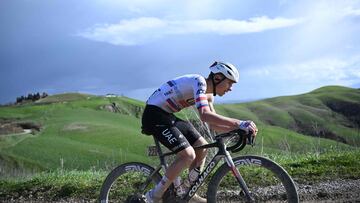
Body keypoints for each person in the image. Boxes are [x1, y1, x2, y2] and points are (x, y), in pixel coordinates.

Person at [141, 61, 258, 203]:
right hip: (154, 114)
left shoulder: (209, 96)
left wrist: (238, 129)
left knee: (202, 147)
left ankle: (186, 191)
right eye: (230, 83)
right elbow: (204, 115)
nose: (230, 89)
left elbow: (212, 124)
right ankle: (153, 196)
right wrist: (239, 123)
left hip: (167, 115)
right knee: (188, 155)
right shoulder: (199, 82)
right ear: (217, 78)